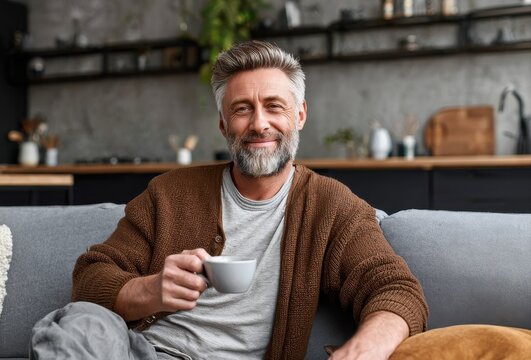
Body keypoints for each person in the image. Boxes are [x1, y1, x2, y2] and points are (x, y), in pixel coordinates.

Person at [31, 40, 428, 360]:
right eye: (242, 110)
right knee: (79, 323)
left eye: (274, 106)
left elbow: (395, 289)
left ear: (300, 114)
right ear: (223, 123)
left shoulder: (330, 207)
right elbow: (90, 277)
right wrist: (151, 290)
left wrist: (364, 349)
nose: (259, 123)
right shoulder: (169, 193)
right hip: (141, 351)